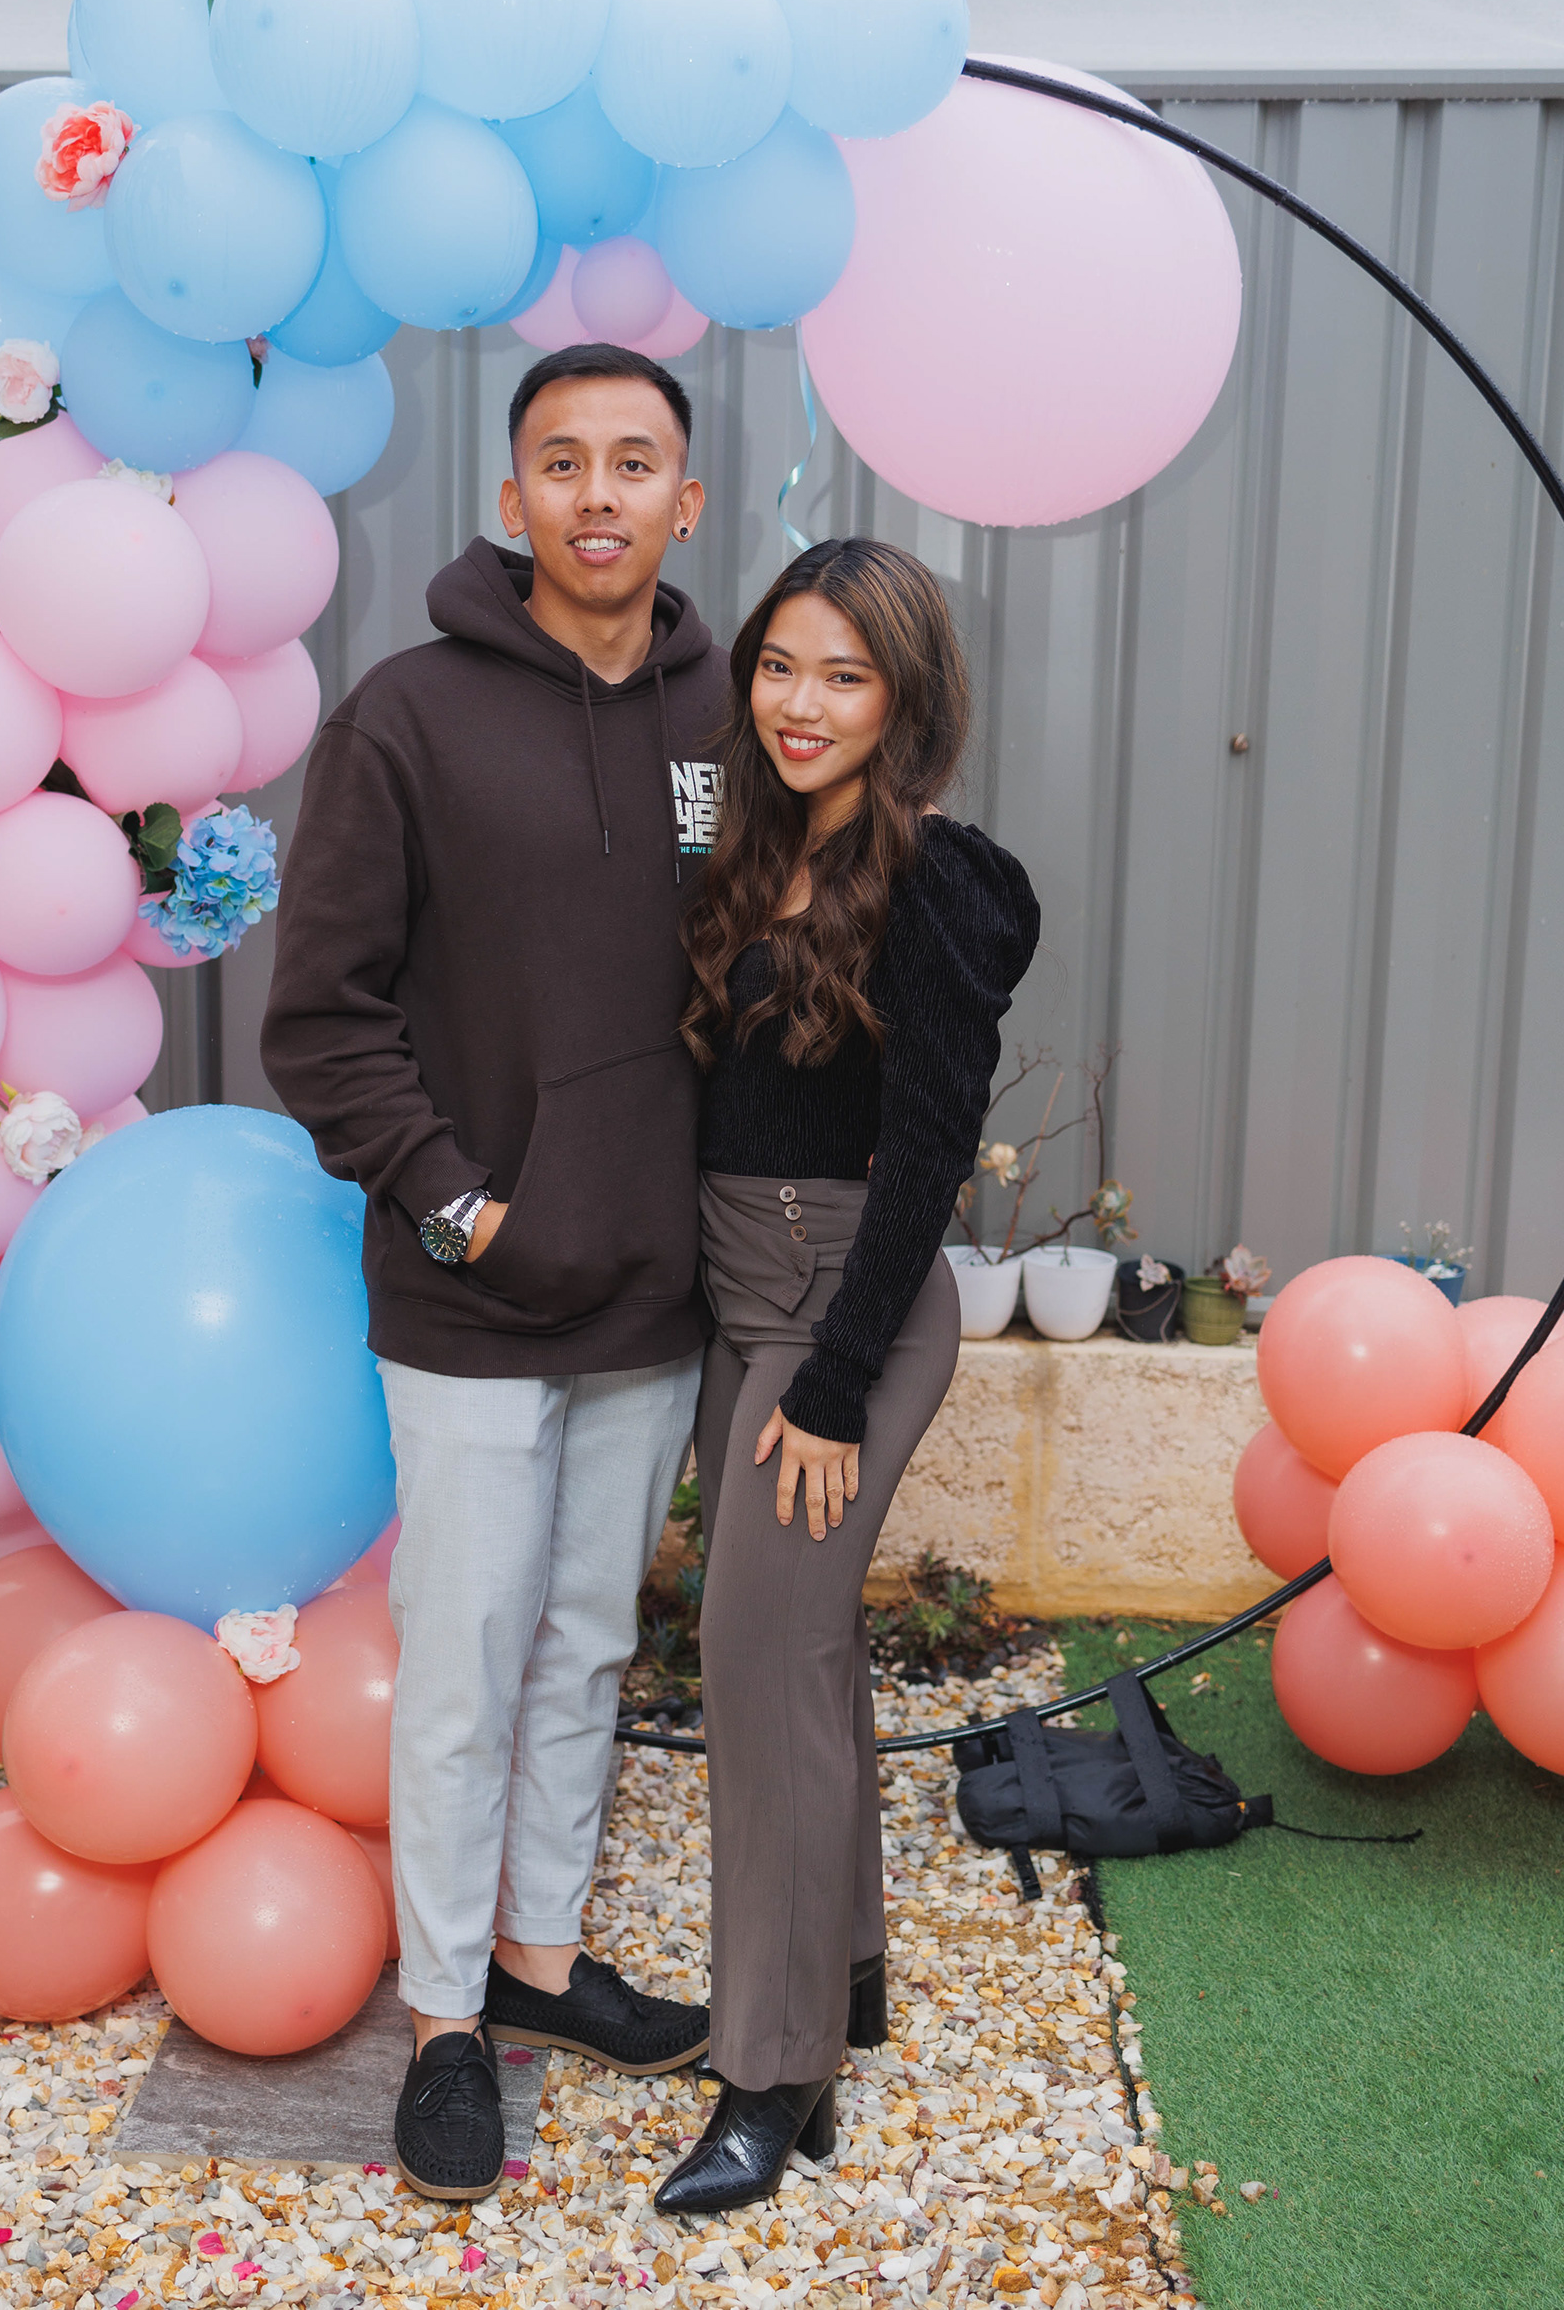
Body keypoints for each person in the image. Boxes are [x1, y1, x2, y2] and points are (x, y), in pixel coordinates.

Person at [261, 341, 727, 2203]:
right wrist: (464, 1208)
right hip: (470, 1291)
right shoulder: (407, 715)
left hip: (654, 1290)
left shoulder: (733, 716)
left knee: (589, 1639)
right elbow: (321, 1020)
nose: (600, 494)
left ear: (686, 500)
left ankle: (540, 1957)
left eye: (636, 461)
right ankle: (445, 2017)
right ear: (512, 496)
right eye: (565, 461)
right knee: (461, 1654)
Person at [653, 537, 1040, 2214]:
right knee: (796, 1650)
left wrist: (832, 1378)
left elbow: (930, 1149)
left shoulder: (939, 880)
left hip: (843, 1308)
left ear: (908, 698)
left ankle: (775, 2070)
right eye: (778, 665)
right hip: (738, 1292)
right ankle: (849, 1971)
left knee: (758, 1655)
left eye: (844, 675)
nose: (800, 703)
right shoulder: (749, 844)